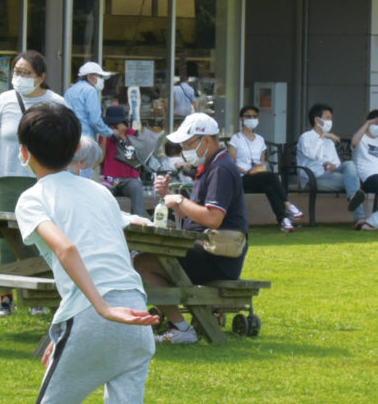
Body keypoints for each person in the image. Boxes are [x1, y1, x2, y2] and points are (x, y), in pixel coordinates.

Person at [11, 101, 163, 404]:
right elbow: (104, 250)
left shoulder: (32, 198)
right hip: (136, 319)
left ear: (24, 152)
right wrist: (68, 327)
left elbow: (69, 250)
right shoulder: (99, 192)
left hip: (102, 315)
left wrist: (97, 308)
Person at [144, 111, 244, 345]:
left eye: (188, 144)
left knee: (143, 262)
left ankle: (181, 328)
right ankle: (177, 324)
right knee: (144, 259)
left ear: (205, 140)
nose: (184, 150)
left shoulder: (220, 169)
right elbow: (193, 216)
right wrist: (168, 195)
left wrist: (179, 200)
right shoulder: (211, 166)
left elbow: (213, 218)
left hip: (217, 256)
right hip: (209, 250)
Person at [0, 51, 48, 284]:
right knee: (4, 239)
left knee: (41, 235)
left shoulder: (56, 103)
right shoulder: (3, 101)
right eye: (16, 72)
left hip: (42, 180)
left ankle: (40, 287)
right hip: (7, 181)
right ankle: (4, 294)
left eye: (26, 73)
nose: (19, 77)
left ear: (41, 77)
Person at [229, 104, 302, 234]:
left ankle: (283, 220)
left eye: (255, 116)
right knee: (272, 177)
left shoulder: (260, 140)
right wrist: (247, 171)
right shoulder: (236, 139)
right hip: (242, 177)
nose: (252, 119)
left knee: (269, 187)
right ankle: (288, 205)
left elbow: (262, 161)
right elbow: (231, 162)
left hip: (258, 177)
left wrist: (258, 167)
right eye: (248, 116)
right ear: (242, 119)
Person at [293, 103, 357, 222]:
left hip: (330, 175)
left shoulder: (329, 142)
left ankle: (353, 198)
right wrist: (323, 137)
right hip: (313, 179)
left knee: (350, 165)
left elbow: (337, 163)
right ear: (317, 120)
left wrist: (333, 166)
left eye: (331, 119)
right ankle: (359, 215)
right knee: (354, 183)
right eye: (327, 118)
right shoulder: (306, 137)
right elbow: (312, 155)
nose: (330, 122)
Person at [99, 104, 151, 217]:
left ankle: (138, 219)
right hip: (109, 177)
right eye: (110, 125)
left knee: (136, 187)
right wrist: (105, 135)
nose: (113, 127)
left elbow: (131, 158)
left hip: (129, 178)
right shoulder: (104, 135)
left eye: (115, 125)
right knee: (103, 191)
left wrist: (122, 136)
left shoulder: (132, 134)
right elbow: (100, 159)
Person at [63, 62, 113, 160]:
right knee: (85, 168)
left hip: (70, 139)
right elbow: (95, 121)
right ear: (90, 77)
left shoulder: (70, 91)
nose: (102, 80)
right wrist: (109, 133)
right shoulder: (90, 91)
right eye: (100, 77)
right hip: (85, 142)